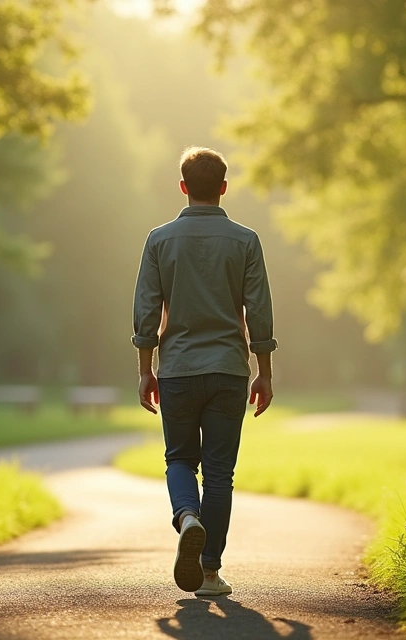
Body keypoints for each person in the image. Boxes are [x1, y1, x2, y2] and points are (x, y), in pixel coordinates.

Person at [131, 146, 278, 597]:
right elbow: (259, 310)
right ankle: (209, 572)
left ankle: (187, 516)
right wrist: (264, 371)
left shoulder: (159, 240)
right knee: (219, 474)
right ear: (224, 188)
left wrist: (146, 369)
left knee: (179, 459)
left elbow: (146, 308)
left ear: (183, 187)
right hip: (229, 371)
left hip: (176, 369)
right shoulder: (245, 240)